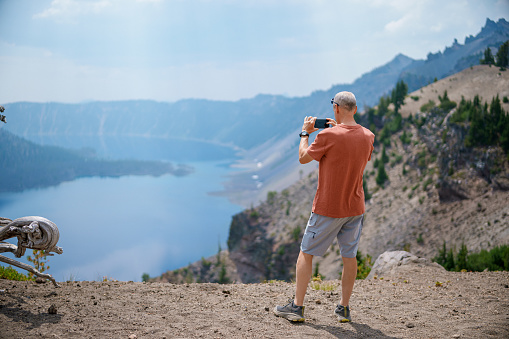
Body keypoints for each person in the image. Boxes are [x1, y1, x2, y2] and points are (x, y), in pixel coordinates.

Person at [273, 91, 375, 323]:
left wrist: (305, 133)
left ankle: (297, 308)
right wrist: (334, 131)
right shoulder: (369, 136)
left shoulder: (328, 136)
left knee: (306, 253)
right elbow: (352, 155)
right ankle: (344, 309)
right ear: (355, 110)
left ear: (336, 108)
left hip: (328, 207)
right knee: (349, 256)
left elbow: (303, 157)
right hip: (355, 207)